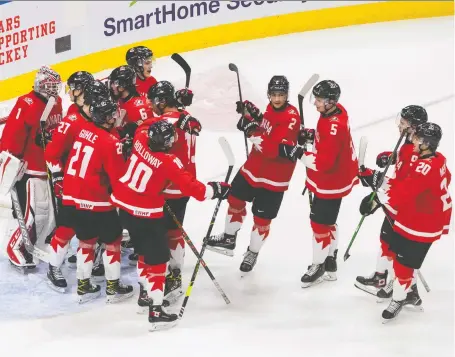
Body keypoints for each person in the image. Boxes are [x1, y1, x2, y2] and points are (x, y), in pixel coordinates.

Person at [110, 120, 230, 331]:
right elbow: (195, 189)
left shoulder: (140, 141)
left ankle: (144, 296)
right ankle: (156, 312)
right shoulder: (169, 162)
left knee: (143, 254)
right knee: (158, 262)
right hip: (146, 214)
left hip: (123, 209)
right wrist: (216, 189)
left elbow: (141, 126)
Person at [206, 75, 301, 274]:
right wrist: (254, 116)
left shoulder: (292, 118)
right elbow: (268, 127)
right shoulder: (270, 109)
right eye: (273, 95)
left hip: (275, 178)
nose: (277, 99)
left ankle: (252, 252)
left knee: (262, 220)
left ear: (287, 95)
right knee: (234, 198)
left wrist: (250, 130)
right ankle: (229, 238)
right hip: (253, 168)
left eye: (281, 95)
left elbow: (272, 148)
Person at [359, 122, 452, 321]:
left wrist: (375, 198)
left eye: (417, 139)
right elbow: (408, 186)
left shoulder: (424, 168)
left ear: (426, 143)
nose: (414, 141)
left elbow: (401, 195)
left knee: (404, 263)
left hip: (422, 224)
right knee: (400, 260)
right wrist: (376, 178)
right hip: (420, 217)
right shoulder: (438, 159)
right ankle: (407, 294)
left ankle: (402, 297)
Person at [52, 92, 132, 303]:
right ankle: (113, 288)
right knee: (113, 243)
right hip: (99, 202)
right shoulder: (110, 142)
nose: (114, 118)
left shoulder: (84, 130)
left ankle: (84, 286)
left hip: (76, 200)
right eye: (111, 115)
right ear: (104, 118)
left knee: (86, 242)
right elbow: (118, 177)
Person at [44, 80, 112, 291]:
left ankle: (93, 263)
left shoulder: (97, 120)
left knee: (98, 230)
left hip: (93, 186)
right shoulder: (71, 121)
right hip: (71, 184)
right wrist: (57, 178)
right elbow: (51, 154)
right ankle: (53, 266)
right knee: (66, 228)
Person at [355, 105, 428, 298]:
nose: (399, 126)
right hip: (396, 206)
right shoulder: (410, 142)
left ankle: (408, 291)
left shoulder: (416, 152)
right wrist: (393, 157)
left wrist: (375, 180)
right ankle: (381, 277)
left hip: (404, 211)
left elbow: (403, 188)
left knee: (399, 249)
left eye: (403, 123)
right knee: (386, 240)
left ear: (413, 127)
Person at [142, 80, 201, 303]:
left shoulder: (164, 122)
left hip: (169, 186)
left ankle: (172, 275)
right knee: (174, 231)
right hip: (183, 184)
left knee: (165, 233)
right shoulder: (184, 117)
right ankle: (173, 274)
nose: (150, 105)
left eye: (153, 101)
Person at [0, 66, 63, 272]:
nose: (55, 90)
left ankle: (36, 243)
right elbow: (12, 136)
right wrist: (11, 162)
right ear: (41, 86)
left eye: (56, 86)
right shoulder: (26, 103)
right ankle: (16, 247)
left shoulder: (56, 103)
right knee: (33, 213)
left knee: (49, 214)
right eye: (51, 86)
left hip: (48, 167)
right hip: (30, 168)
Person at [298, 80, 359, 287]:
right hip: (338, 177)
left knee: (319, 224)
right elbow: (326, 143)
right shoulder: (337, 111)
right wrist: (313, 137)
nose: (315, 103)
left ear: (331, 102)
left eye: (319, 100)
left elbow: (324, 163)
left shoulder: (334, 126)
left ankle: (319, 264)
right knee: (329, 221)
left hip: (331, 181)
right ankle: (330, 260)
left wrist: (300, 153)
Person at [126, 45, 194, 107]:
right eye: (147, 63)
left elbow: (161, 104)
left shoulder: (151, 81)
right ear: (136, 65)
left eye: (151, 62)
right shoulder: (127, 86)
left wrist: (179, 98)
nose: (151, 66)